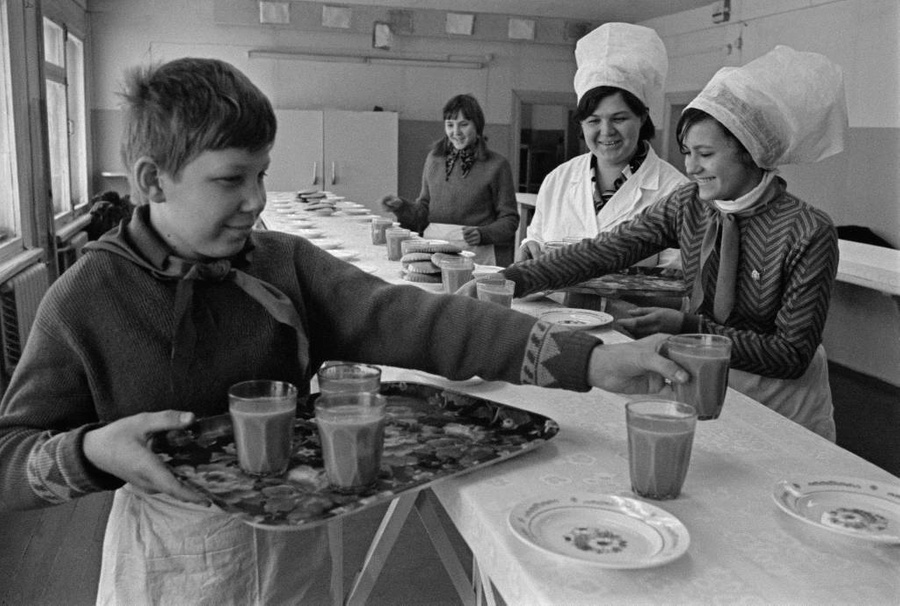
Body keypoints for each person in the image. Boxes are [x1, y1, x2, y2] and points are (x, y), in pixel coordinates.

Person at [0, 58, 687, 604]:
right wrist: (91, 451)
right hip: (176, 567)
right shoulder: (87, 298)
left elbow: (418, 321)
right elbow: (10, 455)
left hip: (295, 550)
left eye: (262, 175)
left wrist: (588, 361)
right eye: (230, 180)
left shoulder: (280, 266)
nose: (256, 201)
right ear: (153, 180)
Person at [466, 46, 848, 441]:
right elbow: (603, 251)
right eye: (687, 153)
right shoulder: (689, 206)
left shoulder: (808, 231)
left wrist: (689, 329)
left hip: (782, 404)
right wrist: (508, 279)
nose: (691, 167)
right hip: (701, 381)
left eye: (705, 154)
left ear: (752, 151)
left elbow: (790, 354)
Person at [517, 23, 687, 267]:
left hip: (632, 307)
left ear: (642, 117)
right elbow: (535, 241)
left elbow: (678, 283)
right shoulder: (558, 180)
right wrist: (529, 249)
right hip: (552, 306)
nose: (606, 131)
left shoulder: (675, 192)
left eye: (619, 118)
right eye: (594, 120)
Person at [379, 94, 519, 266]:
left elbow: (510, 220)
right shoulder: (434, 159)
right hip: (432, 251)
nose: (456, 132)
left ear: (478, 126)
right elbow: (422, 214)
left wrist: (483, 234)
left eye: (464, 124)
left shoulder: (497, 165)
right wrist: (401, 207)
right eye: (450, 125)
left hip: (476, 255)